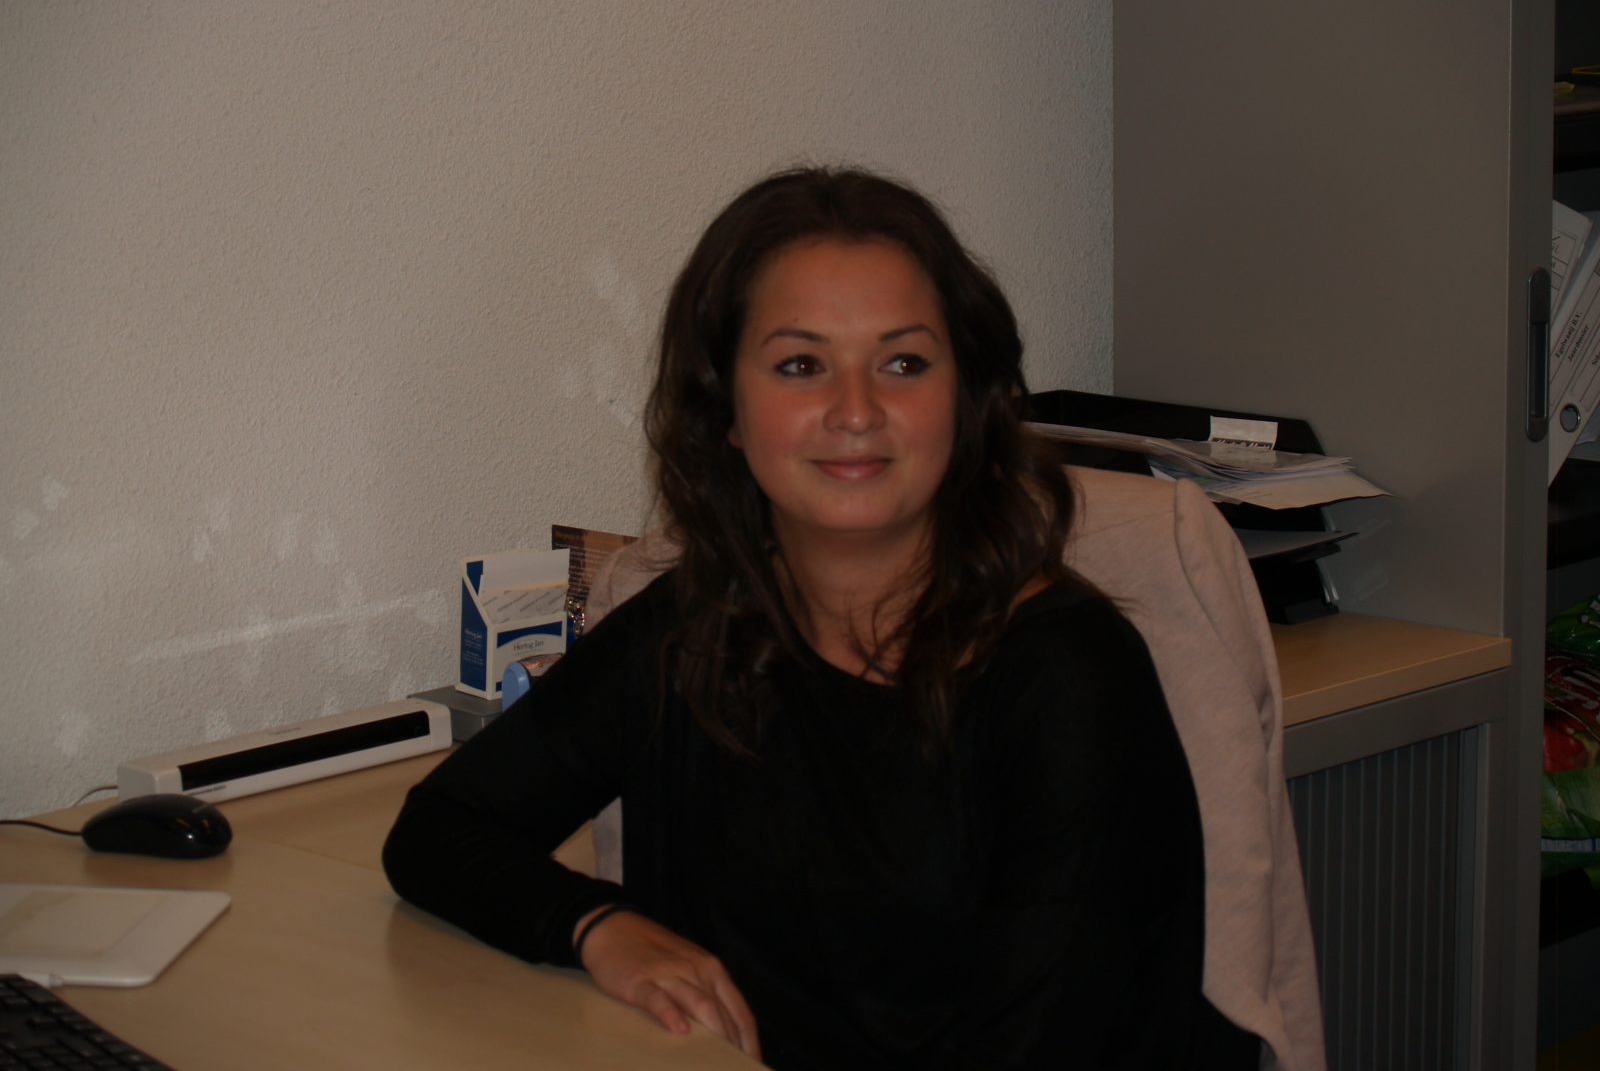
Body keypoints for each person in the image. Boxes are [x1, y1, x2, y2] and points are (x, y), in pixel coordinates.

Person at [383, 167, 1257, 1068]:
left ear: (966, 398)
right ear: (725, 407)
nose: (856, 411)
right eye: (801, 365)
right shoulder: (694, 630)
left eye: (903, 363)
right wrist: (596, 925)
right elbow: (442, 830)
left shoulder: (1069, 679)